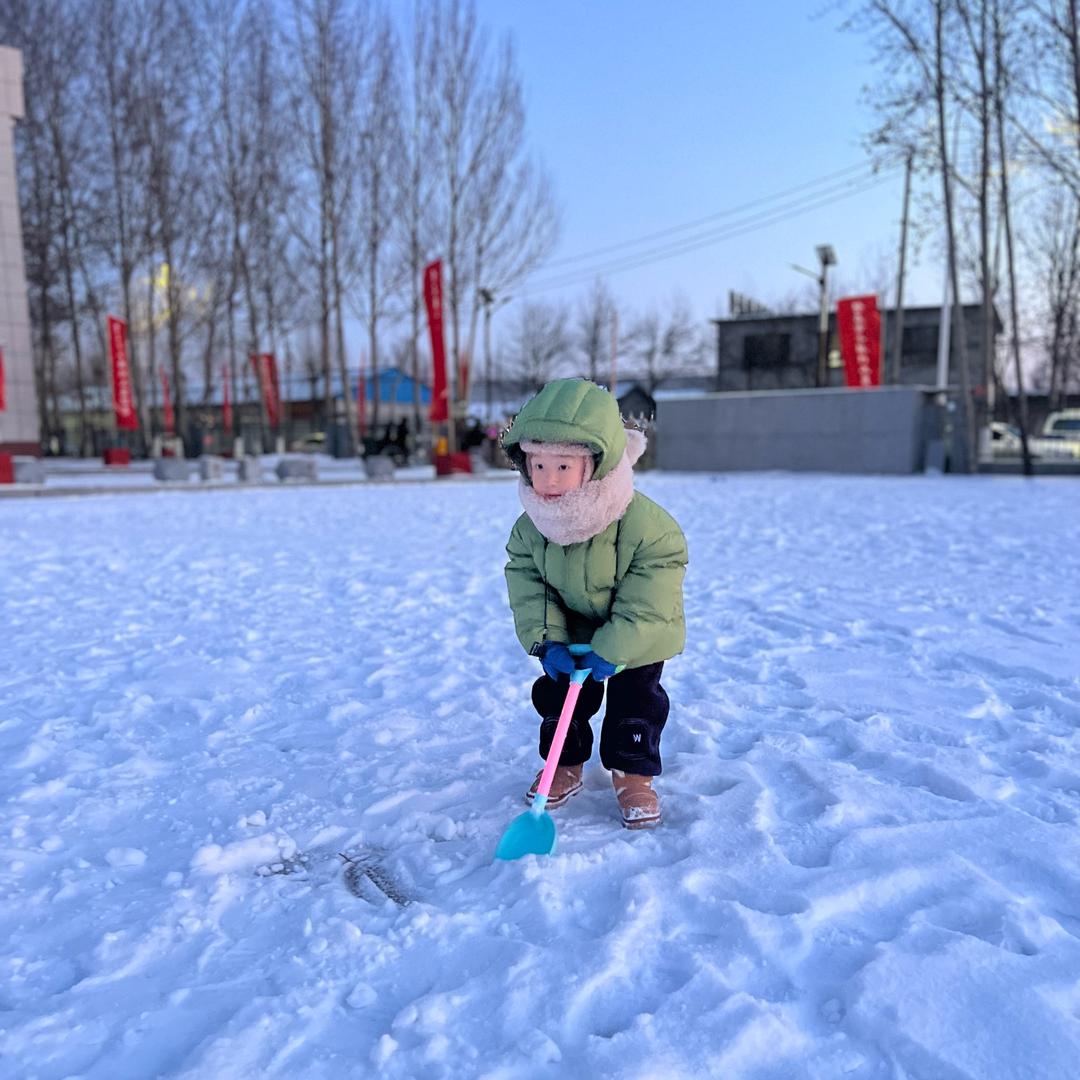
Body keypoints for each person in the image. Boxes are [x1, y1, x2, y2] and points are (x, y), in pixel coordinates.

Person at [501, 378, 688, 829]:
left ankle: (633, 774)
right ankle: (563, 764)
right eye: (538, 465)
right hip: (571, 633)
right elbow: (529, 583)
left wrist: (616, 646)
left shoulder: (649, 527)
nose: (547, 481)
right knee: (559, 698)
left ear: (597, 464)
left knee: (634, 703)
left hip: (637, 639)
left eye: (562, 467)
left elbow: (650, 598)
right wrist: (548, 640)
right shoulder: (532, 527)